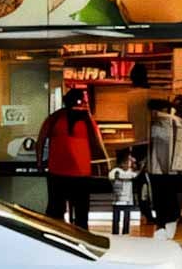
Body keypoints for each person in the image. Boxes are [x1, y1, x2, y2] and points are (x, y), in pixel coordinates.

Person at [35, 87, 103, 230]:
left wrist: (40, 162)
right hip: (81, 172)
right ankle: (81, 240)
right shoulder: (86, 118)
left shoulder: (54, 118)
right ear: (80, 101)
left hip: (57, 170)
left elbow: (40, 141)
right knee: (81, 212)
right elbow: (97, 142)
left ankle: (55, 236)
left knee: (55, 210)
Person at [146, 98, 182, 240]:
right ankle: (169, 224)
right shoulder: (178, 121)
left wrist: (164, 167)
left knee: (160, 200)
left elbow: (161, 148)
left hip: (159, 169)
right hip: (173, 168)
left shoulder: (159, 122)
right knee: (170, 197)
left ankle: (163, 227)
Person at [109, 154, 140, 235]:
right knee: (116, 219)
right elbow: (125, 176)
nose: (127, 165)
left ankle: (125, 233)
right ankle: (115, 233)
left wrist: (134, 165)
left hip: (127, 200)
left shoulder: (130, 172)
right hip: (117, 200)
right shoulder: (115, 171)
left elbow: (135, 175)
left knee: (126, 219)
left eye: (128, 163)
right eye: (125, 163)